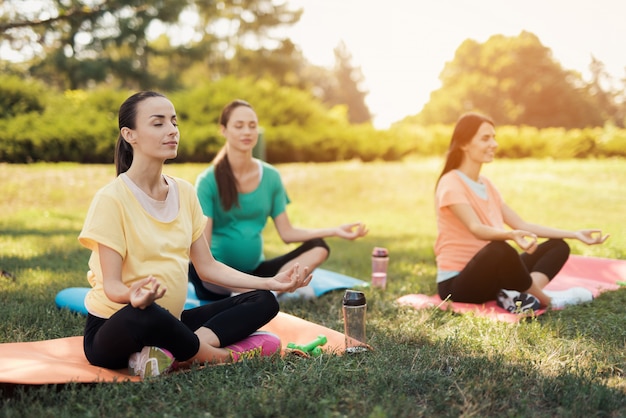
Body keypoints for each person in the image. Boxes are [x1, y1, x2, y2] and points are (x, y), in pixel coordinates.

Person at [78, 91, 312, 379]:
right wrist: (134, 295)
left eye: (174, 122)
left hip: (173, 321)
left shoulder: (185, 193)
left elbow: (207, 267)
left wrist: (270, 282)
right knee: (148, 314)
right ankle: (219, 358)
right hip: (118, 326)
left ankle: (176, 352)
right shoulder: (111, 199)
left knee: (263, 300)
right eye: (158, 123)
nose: (172, 130)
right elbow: (112, 286)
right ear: (130, 135)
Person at [188, 99, 368, 301]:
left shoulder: (271, 176)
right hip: (217, 279)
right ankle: (262, 293)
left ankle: (266, 290)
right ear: (223, 130)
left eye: (252, 126)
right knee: (199, 268)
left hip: (255, 272)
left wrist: (334, 230)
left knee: (319, 246)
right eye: (239, 126)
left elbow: (287, 233)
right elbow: (204, 249)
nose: (247, 131)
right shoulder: (208, 180)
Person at [434, 112, 609, 312]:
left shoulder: (487, 185)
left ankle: (517, 294)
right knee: (500, 249)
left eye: (494, 137)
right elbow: (475, 228)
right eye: (485, 138)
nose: (494, 144)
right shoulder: (450, 182)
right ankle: (549, 300)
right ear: (464, 144)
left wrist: (575, 234)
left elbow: (523, 226)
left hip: (492, 278)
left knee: (558, 247)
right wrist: (510, 235)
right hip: (459, 285)